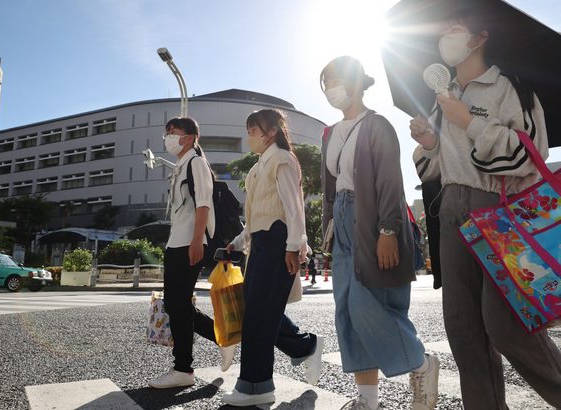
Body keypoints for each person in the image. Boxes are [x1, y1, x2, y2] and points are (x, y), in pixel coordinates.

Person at [411, 8, 561, 409]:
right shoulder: (442, 100)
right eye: (442, 29)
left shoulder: (510, 88)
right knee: (463, 331)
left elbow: (532, 155)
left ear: (480, 37)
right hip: (451, 211)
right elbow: (436, 170)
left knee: (507, 325)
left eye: (454, 28)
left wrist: (471, 123)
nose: (445, 35)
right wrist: (429, 143)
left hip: (499, 209)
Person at [320, 56, 439, 410]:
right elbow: (331, 187)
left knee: (366, 304)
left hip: (372, 218)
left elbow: (390, 182)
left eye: (335, 80)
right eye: (325, 83)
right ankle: (367, 400)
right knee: (346, 310)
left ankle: (420, 362)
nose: (330, 89)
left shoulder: (378, 125)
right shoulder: (330, 133)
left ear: (356, 81)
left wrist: (388, 229)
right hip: (341, 221)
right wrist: (328, 224)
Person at [221, 109, 324, 407]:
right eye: (249, 129)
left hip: (279, 242)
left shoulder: (282, 159)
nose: (250, 135)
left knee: (258, 317)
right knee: (258, 311)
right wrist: (239, 242)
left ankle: (256, 385)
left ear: (271, 132)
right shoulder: (258, 166)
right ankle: (305, 345)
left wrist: (294, 247)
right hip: (261, 244)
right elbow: (255, 216)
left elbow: (294, 208)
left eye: (254, 130)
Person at [149, 117, 235, 389]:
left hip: (190, 242)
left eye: (173, 132)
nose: (168, 137)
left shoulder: (196, 163)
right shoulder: (180, 166)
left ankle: (183, 368)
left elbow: (203, 205)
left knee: (178, 304)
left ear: (190, 137)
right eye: (167, 132)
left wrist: (197, 241)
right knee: (178, 305)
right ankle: (221, 340)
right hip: (177, 242)